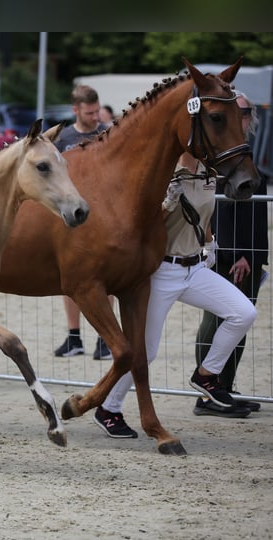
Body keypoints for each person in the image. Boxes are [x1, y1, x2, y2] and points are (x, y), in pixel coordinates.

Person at [95, 151, 258, 438]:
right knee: (146, 349)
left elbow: (203, 214)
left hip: (195, 267)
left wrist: (210, 245)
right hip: (161, 271)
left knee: (244, 313)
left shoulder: (208, 172)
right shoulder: (164, 171)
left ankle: (206, 375)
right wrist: (168, 202)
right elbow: (142, 224)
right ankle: (108, 408)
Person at [194, 92, 268, 415]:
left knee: (240, 324)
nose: (244, 117)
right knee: (215, 322)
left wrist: (251, 256)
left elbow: (255, 215)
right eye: (237, 111)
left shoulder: (246, 153)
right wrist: (234, 252)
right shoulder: (218, 158)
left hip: (251, 254)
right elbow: (217, 213)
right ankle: (208, 391)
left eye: (247, 112)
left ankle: (224, 386)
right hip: (228, 254)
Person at [52, 85, 114, 360]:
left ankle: (105, 338)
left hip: (103, 215)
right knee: (69, 280)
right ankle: (74, 337)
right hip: (71, 217)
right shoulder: (63, 138)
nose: (95, 117)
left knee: (107, 279)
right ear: (75, 110)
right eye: (89, 113)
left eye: (96, 111)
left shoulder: (107, 134)